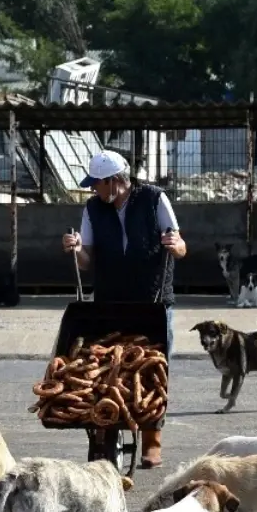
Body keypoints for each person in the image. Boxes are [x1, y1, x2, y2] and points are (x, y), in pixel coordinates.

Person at [62, 149, 187, 469]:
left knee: (153, 370)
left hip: (152, 299)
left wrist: (175, 246)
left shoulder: (155, 199)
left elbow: (181, 245)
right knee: (109, 371)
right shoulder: (93, 209)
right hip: (109, 299)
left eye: (97, 184)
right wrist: (76, 250)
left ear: (115, 181)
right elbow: (87, 261)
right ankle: (107, 430)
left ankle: (152, 441)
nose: (93, 190)